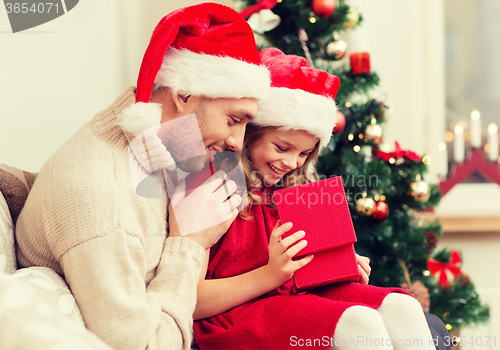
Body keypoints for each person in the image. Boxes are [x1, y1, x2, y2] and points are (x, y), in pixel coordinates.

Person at [15, 3, 270, 350]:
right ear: (183, 95)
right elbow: (146, 345)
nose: (237, 143)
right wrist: (190, 246)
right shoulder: (107, 202)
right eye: (234, 119)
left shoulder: (165, 139)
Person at [193, 48, 439, 350]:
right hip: (234, 313)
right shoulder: (212, 186)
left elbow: (307, 274)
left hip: (292, 296)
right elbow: (193, 300)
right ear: (250, 132)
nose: (293, 163)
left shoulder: (298, 191)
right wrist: (271, 275)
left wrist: (343, 265)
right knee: (358, 323)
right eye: (282, 147)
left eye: (304, 153)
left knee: (404, 307)